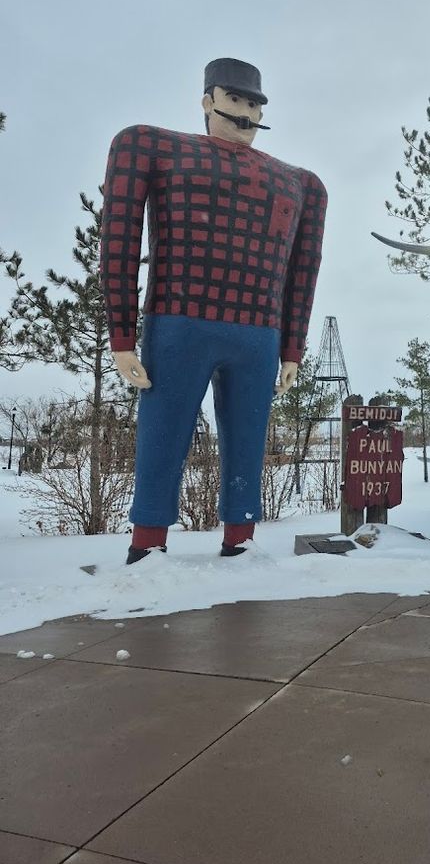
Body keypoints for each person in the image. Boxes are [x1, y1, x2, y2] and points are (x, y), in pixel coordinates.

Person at [100, 58, 327, 563]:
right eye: (236, 99)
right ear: (208, 101)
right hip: (179, 319)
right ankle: (148, 544)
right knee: (164, 431)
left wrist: (293, 347)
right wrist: (121, 335)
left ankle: (240, 540)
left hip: (258, 332)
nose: (245, 111)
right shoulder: (152, 146)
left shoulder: (301, 183)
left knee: (248, 438)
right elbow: (118, 237)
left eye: (254, 102)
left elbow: (303, 271)